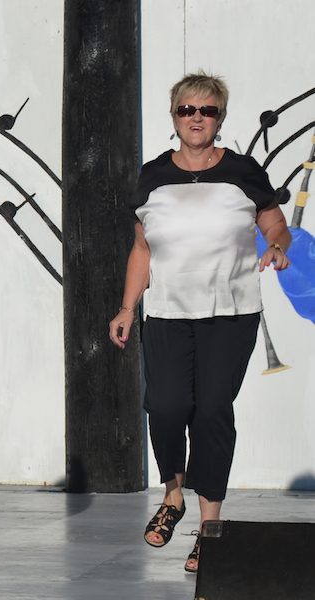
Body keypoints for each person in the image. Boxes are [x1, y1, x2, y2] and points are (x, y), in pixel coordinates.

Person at [108, 72, 291, 573]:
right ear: (174, 117)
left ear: (220, 118)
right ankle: (173, 495)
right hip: (167, 314)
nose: (196, 118)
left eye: (206, 111)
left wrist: (276, 245)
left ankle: (209, 526)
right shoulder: (152, 176)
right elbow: (142, 248)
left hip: (230, 314)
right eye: (187, 110)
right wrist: (128, 307)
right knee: (166, 407)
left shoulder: (244, 171)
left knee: (211, 411)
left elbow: (274, 222)